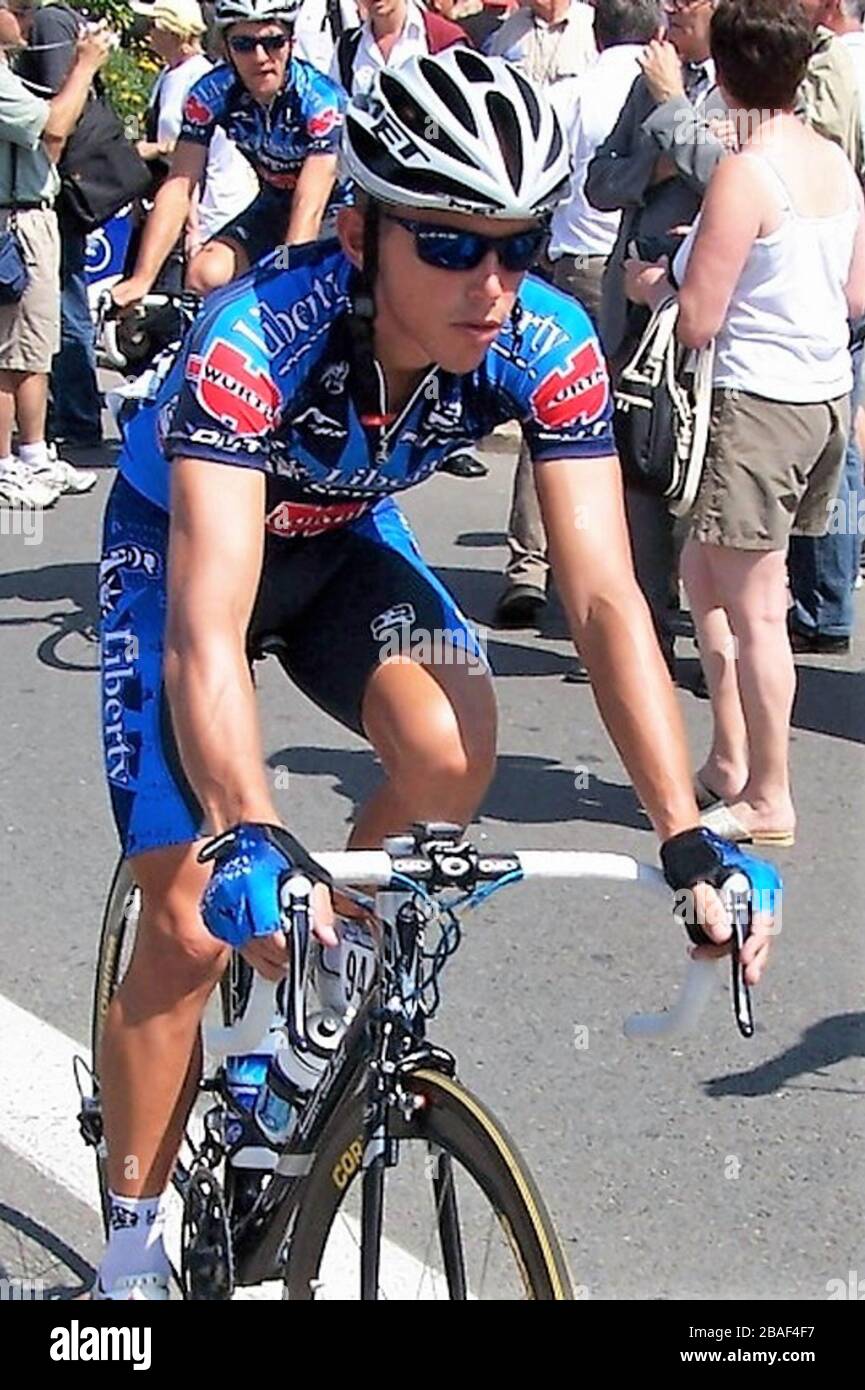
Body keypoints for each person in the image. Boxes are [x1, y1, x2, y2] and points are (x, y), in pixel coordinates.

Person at [92, 48, 776, 1301]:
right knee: (191, 919)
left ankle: (312, 994)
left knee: (455, 745)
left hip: (340, 543)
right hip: (183, 555)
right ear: (357, 230)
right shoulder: (258, 337)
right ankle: (130, 1252)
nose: (492, 281)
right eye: (451, 245)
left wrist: (685, 826)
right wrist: (247, 827)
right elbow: (206, 625)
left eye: (514, 242)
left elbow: (603, 594)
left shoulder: (544, 337)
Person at [625, 0, 865, 844]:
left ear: (720, 73)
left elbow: (697, 319)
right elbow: (852, 295)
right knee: (706, 572)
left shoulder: (746, 172)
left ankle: (770, 792)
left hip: (755, 402)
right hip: (819, 395)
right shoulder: (831, 162)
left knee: (757, 602)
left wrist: (654, 285)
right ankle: (731, 759)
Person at [584, 0, 733, 676]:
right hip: (635, 308)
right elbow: (599, 183)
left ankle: (715, 643)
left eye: (686, 2)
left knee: (704, 471)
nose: (670, 10)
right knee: (638, 466)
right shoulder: (652, 78)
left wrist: (675, 114)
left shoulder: (745, 80)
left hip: (705, 314)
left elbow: (736, 182)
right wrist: (658, 165)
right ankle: (645, 635)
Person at [112, 0, 345, 308]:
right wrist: (141, 279)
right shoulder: (210, 93)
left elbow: (309, 205)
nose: (260, 57)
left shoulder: (320, 100)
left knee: (286, 282)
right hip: (273, 204)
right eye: (244, 44)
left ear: (291, 43)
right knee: (206, 274)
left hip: (337, 210)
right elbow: (180, 184)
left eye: (273, 41)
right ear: (225, 47)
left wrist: (284, 272)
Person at [489, 0, 600, 624]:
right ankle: (528, 568)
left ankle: (600, 579)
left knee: (608, 422)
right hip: (550, 237)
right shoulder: (506, 35)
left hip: (611, 248)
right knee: (545, 407)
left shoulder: (594, 34)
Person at [0, 2, 111, 510]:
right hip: (13, 218)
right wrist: (84, 65)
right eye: (19, 11)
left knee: (35, 345)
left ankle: (33, 453)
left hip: (32, 211)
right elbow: (54, 130)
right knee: (8, 351)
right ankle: (5, 463)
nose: (27, 24)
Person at [786, 0, 865, 651]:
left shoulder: (831, 64)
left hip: (831, 265)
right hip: (842, 264)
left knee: (829, 443)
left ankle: (821, 602)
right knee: (840, 437)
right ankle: (825, 598)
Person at [548, 0, 663, 327]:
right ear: (659, 33)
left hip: (580, 263)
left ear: (596, 36)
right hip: (646, 269)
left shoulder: (566, 95)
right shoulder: (676, 97)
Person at [130, 0, 257, 264]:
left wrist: (192, 227)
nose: (148, 33)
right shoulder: (168, 74)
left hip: (206, 209)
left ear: (175, 32)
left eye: (155, 25)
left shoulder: (200, 80)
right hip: (168, 205)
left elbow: (193, 155)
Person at [330, 0, 466, 96]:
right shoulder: (347, 48)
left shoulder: (443, 39)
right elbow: (339, 115)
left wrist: (431, 134)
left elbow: (457, 115)